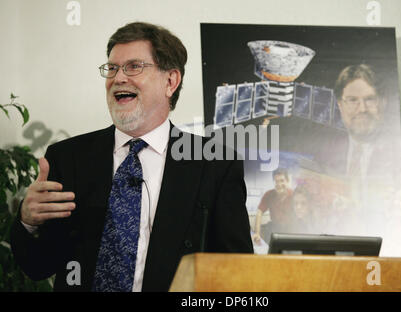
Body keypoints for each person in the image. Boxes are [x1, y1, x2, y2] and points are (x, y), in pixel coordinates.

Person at [10, 22, 253, 292]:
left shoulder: (215, 164)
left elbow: (237, 273)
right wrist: (28, 221)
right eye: (112, 68)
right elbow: (38, 266)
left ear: (170, 81)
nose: (118, 78)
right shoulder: (67, 158)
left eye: (134, 66)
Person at [252, 168, 296, 244]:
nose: (279, 184)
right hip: (275, 228)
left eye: (282, 181)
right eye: (276, 181)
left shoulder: (294, 195)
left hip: (290, 229)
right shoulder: (269, 194)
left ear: (287, 181)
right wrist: (257, 233)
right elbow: (259, 212)